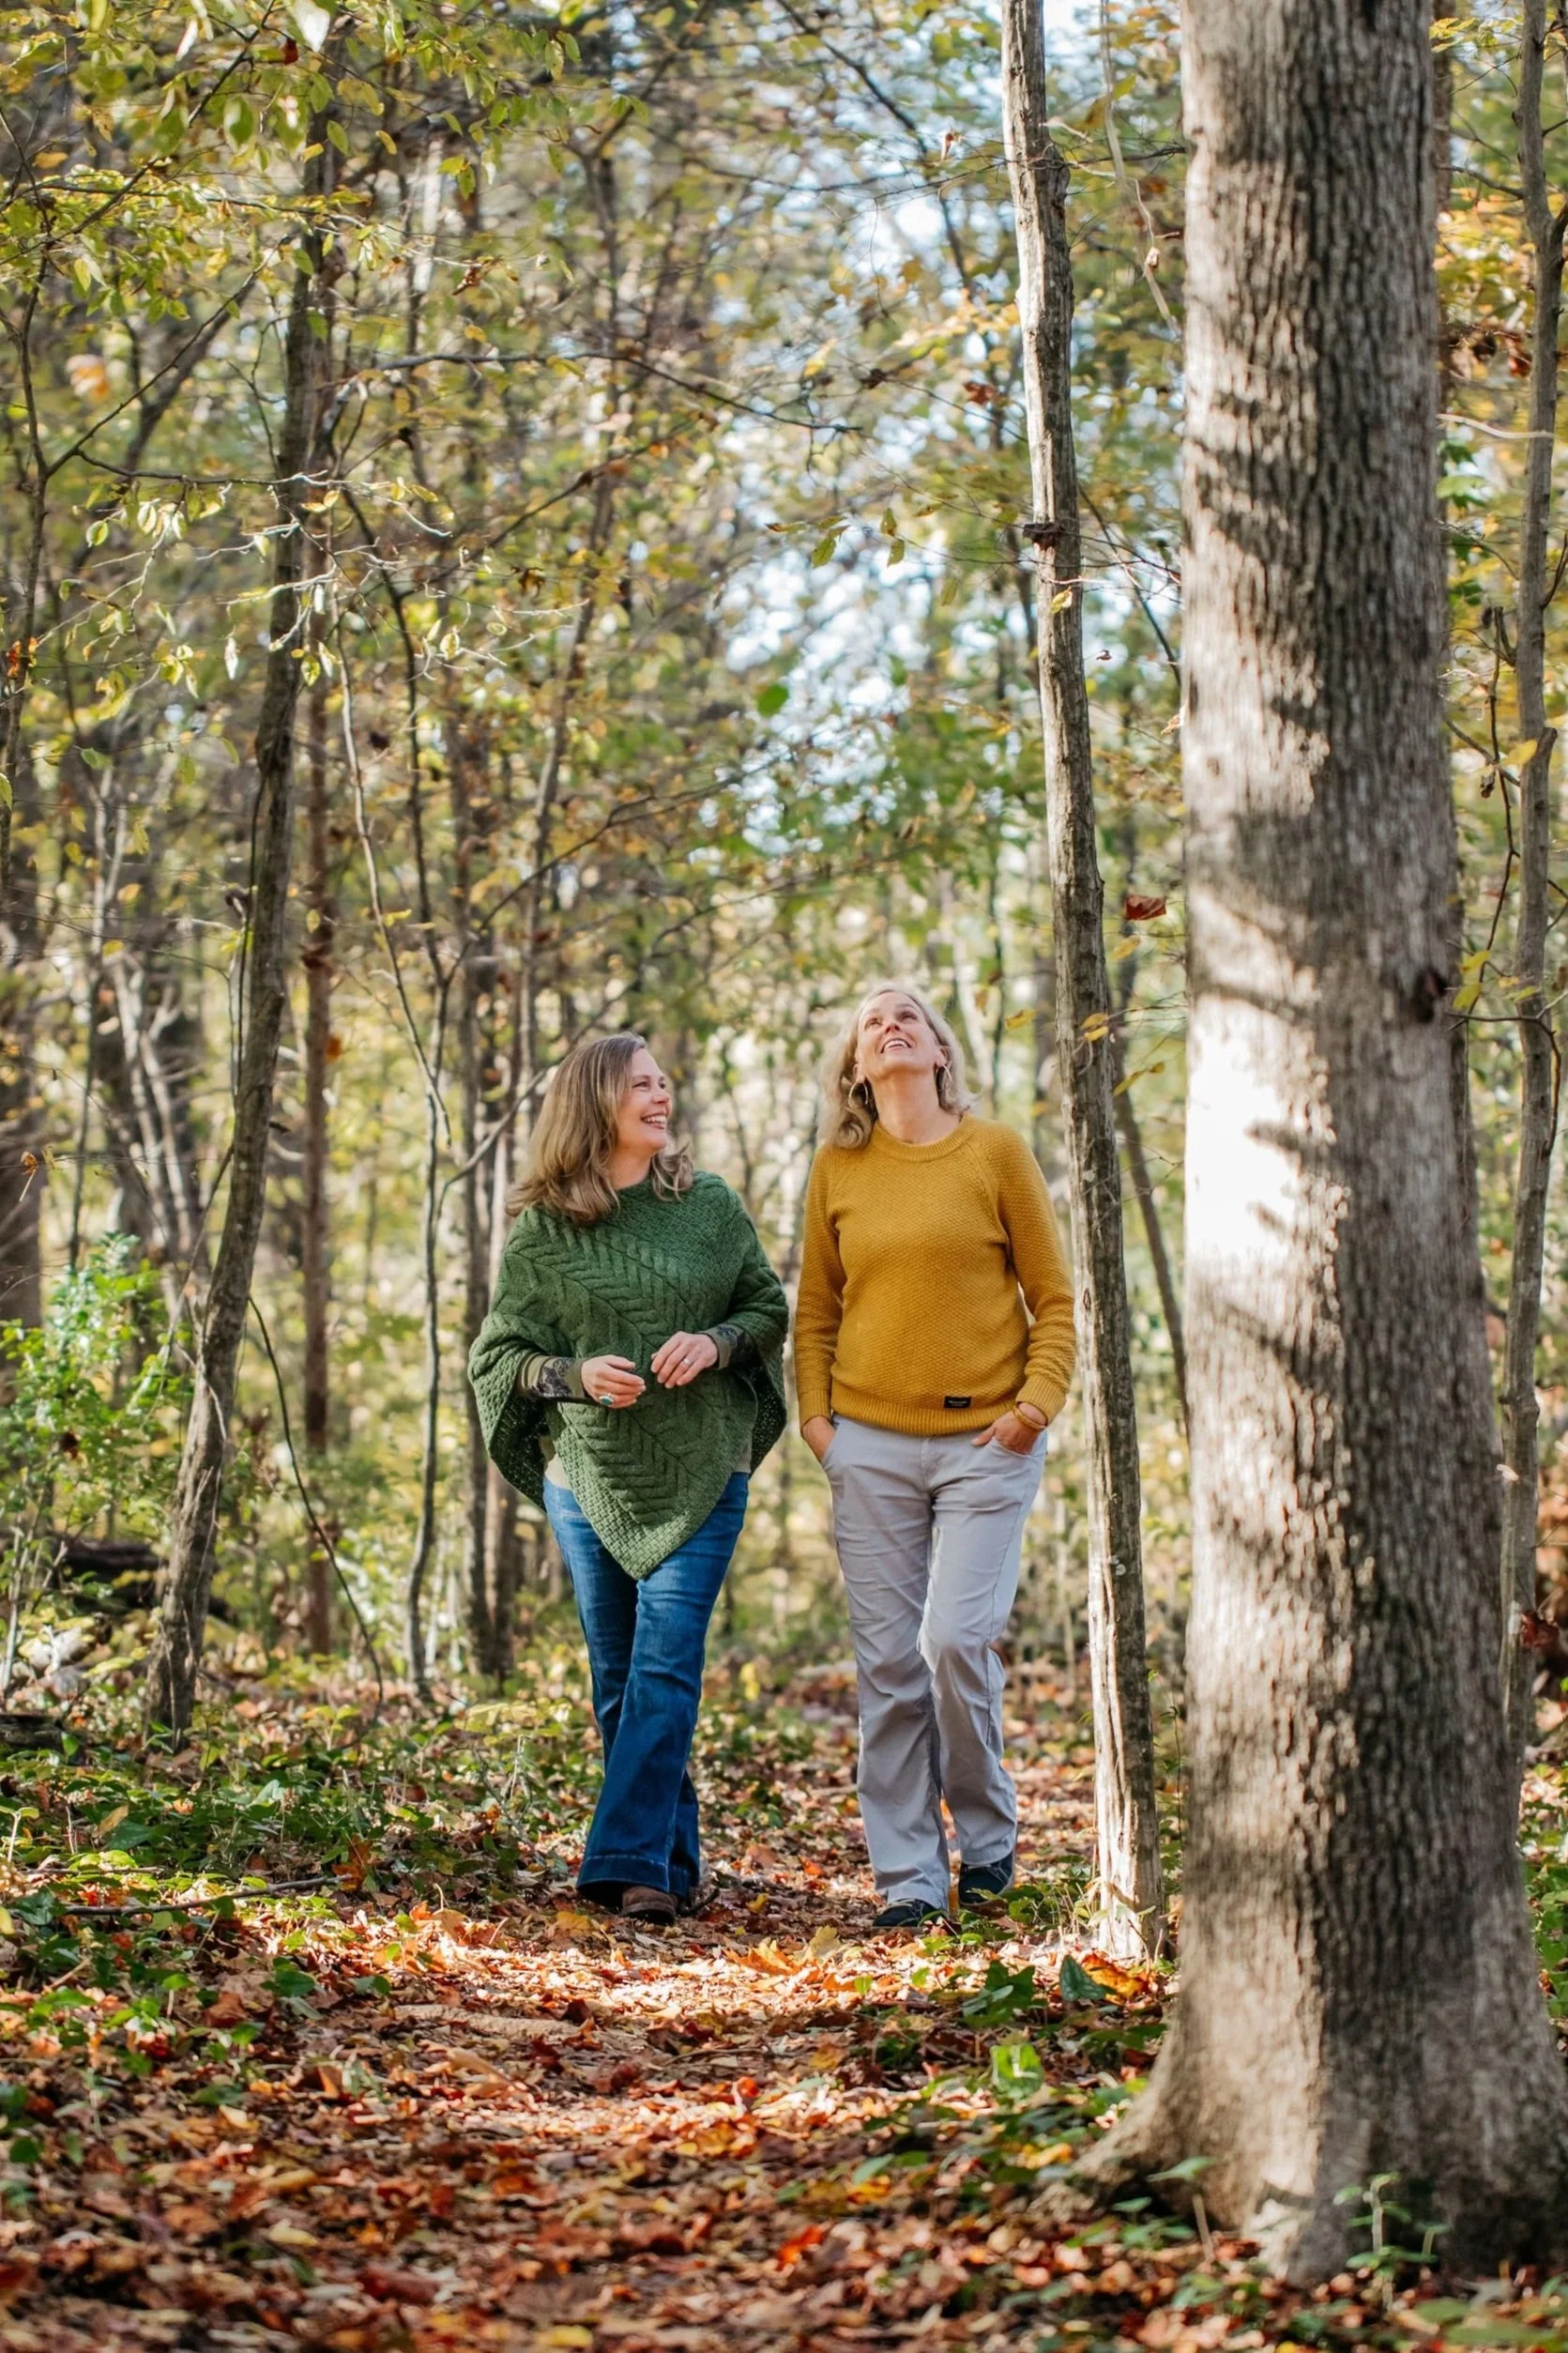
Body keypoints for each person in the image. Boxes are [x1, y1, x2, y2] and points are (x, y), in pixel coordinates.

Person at [469, 1031, 788, 1926]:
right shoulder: (543, 1231)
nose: (660, 1094)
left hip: (703, 1465)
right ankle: (667, 1865)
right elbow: (500, 1356)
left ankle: (616, 1861)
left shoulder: (710, 1207)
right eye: (639, 1083)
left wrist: (715, 1341)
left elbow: (767, 1308)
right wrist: (574, 1376)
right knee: (617, 1676)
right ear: (595, 1102)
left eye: (662, 1080)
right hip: (590, 1475)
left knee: (665, 1662)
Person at [794, 983, 1076, 1931]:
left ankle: (989, 1838)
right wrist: (820, 1424)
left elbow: (1057, 1301)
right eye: (871, 1020)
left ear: (939, 1049)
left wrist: (1034, 1408)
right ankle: (909, 1877)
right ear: (858, 1069)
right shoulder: (840, 1167)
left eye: (907, 1012)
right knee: (887, 1666)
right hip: (866, 1444)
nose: (891, 1024)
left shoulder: (994, 1151)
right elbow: (816, 1310)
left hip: (985, 1442)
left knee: (953, 1642)